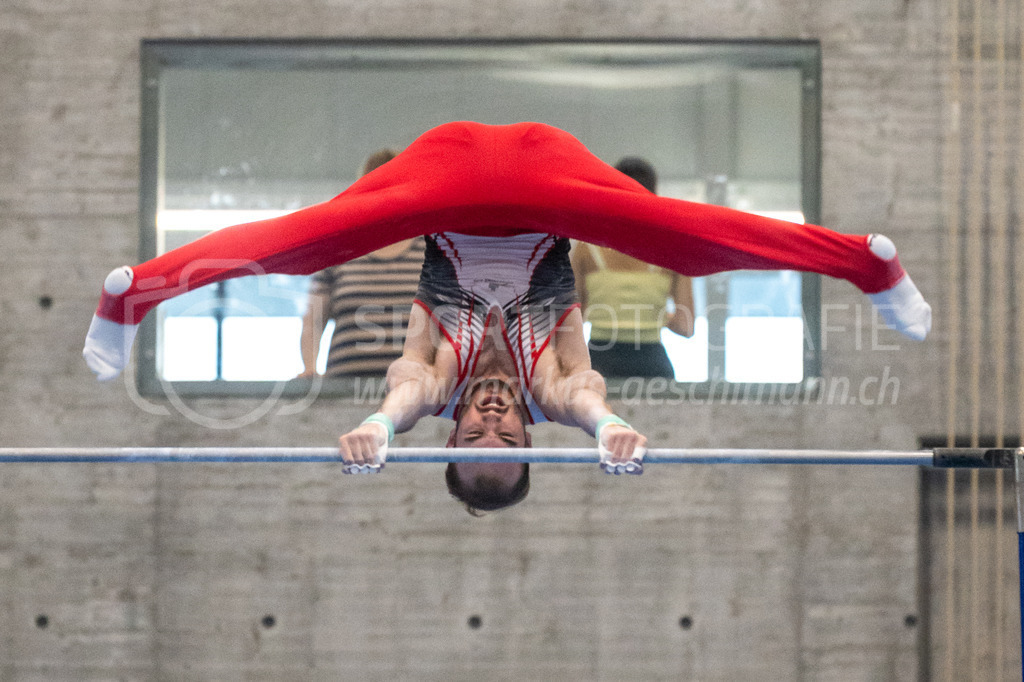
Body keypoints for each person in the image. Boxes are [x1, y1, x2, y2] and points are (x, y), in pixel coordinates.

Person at [83, 121, 932, 511]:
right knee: (691, 242)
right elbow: (588, 396)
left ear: (448, 438)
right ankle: (868, 262)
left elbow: (410, 383)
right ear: (531, 437)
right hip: (545, 173)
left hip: (444, 172)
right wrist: (608, 432)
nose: (492, 422)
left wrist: (380, 426)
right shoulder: (550, 388)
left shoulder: (439, 381)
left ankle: (131, 295)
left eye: (472, 440)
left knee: (309, 242)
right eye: (510, 441)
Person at [298, 149, 425, 378]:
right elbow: (313, 321)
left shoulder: (432, 252)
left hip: (417, 396)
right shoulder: (338, 251)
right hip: (343, 393)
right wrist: (309, 370)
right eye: (377, 187)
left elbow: (452, 322)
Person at [571, 157, 694, 378]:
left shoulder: (586, 250)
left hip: (599, 363)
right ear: (653, 196)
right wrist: (652, 313)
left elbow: (570, 319)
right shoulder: (673, 250)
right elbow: (686, 326)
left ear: (612, 194)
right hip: (652, 365)